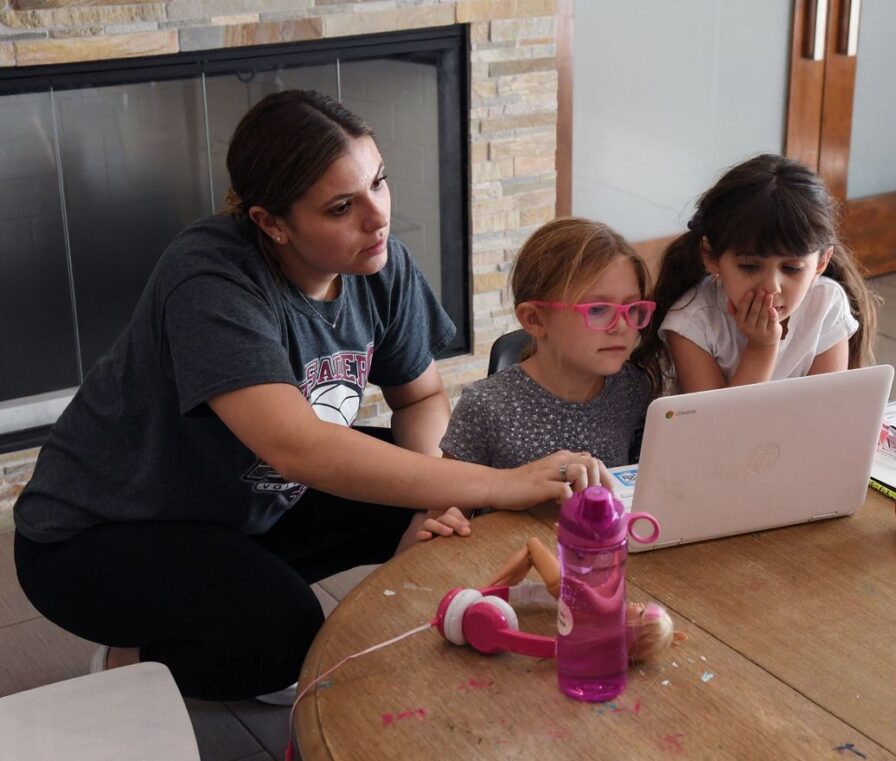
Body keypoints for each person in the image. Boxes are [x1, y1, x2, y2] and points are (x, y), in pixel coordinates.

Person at [12, 90, 605, 704]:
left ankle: (256, 596)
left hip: (244, 500)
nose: (377, 218)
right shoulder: (209, 276)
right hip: (101, 534)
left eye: (379, 183)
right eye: (342, 206)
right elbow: (298, 448)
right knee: (284, 639)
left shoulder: (379, 262)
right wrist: (496, 482)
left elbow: (419, 397)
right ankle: (129, 661)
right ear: (272, 223)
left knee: (447, 503)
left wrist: (435, 503)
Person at [633, 154, 878, 395]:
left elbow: (827, 407)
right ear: (711, 258)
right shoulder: (691, 324)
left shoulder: (825, 302)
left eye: (792, 268)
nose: (772, 287)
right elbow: (721, 421)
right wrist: (761, 348)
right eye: (750, 266)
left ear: (821, 262)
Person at [440, 217, 658, 470]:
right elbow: (448, 494)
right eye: (598, 309)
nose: (621, 326)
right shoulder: (484, 408)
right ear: (534, 319)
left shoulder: (633, 389)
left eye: (632, 308)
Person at [486, 537, 678, 661]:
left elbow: (589, 593)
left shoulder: (610, 611)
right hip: (567, 592)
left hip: (563, 586)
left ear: (632, 629)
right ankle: (504, 585)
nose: (640, 605)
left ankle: (490, 586)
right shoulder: (607, 633)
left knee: (532, 544)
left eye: (642, 612)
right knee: (530, 556)